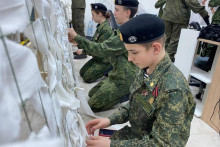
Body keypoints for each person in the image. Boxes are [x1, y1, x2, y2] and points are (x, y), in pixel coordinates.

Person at [85, 14, 196, 146]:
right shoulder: (146, 68)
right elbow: (136, 103)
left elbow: (162, 144)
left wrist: (112, 145)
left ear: (155, 48)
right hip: (137, 136)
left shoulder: (173, 91)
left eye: (134, 52)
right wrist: (109, 120)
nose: (129, 59)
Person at [68, 0, 139, 112]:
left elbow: (101, 49)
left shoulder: (127, 33)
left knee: (92, 105)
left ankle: (127, 93)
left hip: (125, 78)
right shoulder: (124, 29)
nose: (113, 13)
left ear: (127, 12)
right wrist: (78, 42)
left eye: (116, 10)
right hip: (118, 72)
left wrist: (77, 37)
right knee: (91, 93)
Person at [76, 3, 114, 83]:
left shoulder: (106, 30)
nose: (92, 18)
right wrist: (79, 44)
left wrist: (83, 51)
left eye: (93, 15)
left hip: (104, 61)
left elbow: (97, 49)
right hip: (98, 58)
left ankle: (109, 69)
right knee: (82, 72)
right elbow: (93, 43)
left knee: (87, 78)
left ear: (99, 14)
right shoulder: (100, 27)